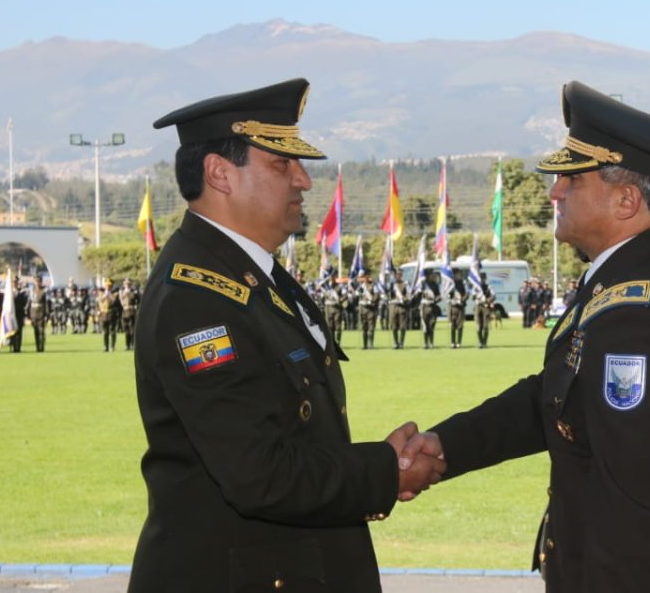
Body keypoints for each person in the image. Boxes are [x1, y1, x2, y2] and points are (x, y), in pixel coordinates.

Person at [400, 81, 650, 591]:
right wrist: (446, 445)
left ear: (626, 200)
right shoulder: (630, 281)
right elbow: (556, 397)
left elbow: (634, 512)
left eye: (572, 180)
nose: (554, 191)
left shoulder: (641, 314)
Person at [130, 78, 444, 593]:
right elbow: (259, 474)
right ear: (219, 174)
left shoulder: (252, 274)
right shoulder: (197, 297)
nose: (304, 180)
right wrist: (385, 470)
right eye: (282, 164)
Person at [96, 280, 121, 352]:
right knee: (105, 331)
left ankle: (112, 346)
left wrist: (109, 295)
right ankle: (105, 346)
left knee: (112, 331)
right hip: (104, 314)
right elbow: (99, 302)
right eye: (107, 286)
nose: (108, 287)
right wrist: (105, 295)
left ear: (111, 287)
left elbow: (115, 302)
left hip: (111, 314)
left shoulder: (115, 294)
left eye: (109, 286)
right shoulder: (101, 294)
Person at [418, 270, 441, 349]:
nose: (432, 276)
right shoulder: (423, 284)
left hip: (432, 307)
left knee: (431, 326)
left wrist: (436, 299)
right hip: (424, 307)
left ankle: (431, 343)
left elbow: (438, 295)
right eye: (431, 275)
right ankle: (425, 343)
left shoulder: (435, 285)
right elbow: (418, 295)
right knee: (425, 326)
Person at [474, 271, 495, 348]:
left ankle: (485, 342)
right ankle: (480, 342)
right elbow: (473, 296)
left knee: (485, 327)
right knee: (479, 327)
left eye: (483, 278)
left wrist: (487, 300)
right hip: (478, 307)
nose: (482, 280)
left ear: (485, 279)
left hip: (486, 307)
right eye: (481, 278)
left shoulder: (489, 287)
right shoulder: (476, 287)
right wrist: (476, 296)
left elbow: (493, 296)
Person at [448, 271, 467, 348]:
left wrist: (462, 300)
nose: (457, 276)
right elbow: (448, 294)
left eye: (458, 274)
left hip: (460, 307)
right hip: (453, 307)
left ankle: (459, 342)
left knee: (460, 325)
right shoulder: (450, 283)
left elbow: (467, 293)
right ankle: (453, 343)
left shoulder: (463, 283)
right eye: (456, 275)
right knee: (452, 325)